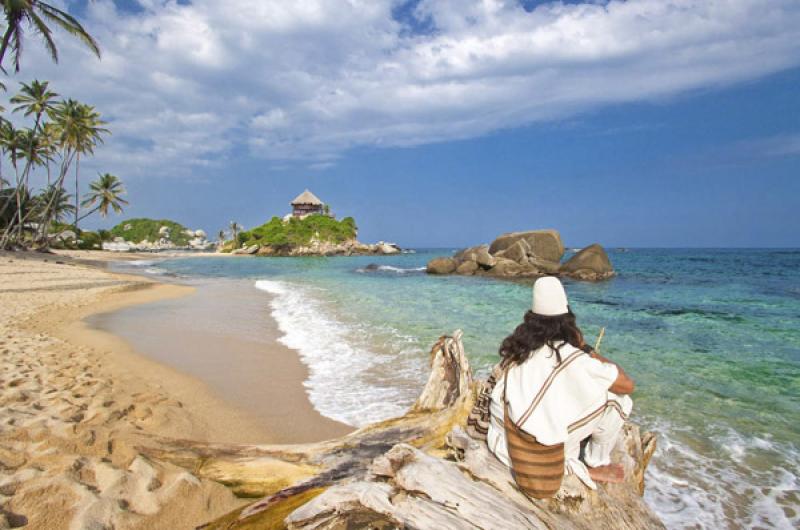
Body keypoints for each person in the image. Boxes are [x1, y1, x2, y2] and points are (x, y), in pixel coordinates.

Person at [486, 276, 635, 488]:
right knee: (619, 400)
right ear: (567, 320)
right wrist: (587, 349)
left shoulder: (520, 349)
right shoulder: (574, 357)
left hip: (502, 441)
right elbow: (627, 385)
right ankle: (596, 462)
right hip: (538, 456)